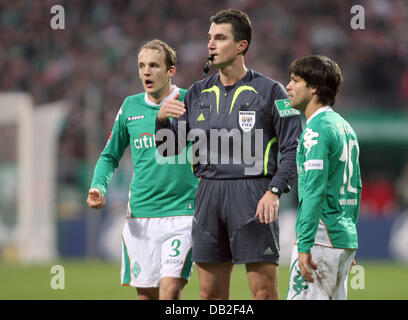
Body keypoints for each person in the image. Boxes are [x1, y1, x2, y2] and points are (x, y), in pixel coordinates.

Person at [155, 9, 302, 300]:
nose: (210, 44)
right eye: (209, 37)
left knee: (263, 293)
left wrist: (274, 191)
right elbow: (168, 148)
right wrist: (160, 121)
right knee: (209, 295)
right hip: (208, 193)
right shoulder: (196, 93)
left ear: (241, 46)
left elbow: (293, 148)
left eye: (219, 38)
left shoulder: (271, 92)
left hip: (253, 193)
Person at [86, 39, 198, 300]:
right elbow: (110, 155)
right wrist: (98, 186)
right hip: (140, 216)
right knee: (147, 296)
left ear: (170, 71)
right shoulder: (130, 107)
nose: (146, 71)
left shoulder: (191, 101)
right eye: (142, 66)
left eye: (154, 65)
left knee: (170, 291)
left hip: (182, 214)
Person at [285, 55, 362, 300]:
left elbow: (313, 191)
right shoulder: (345, 127)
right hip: (342, 238)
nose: (288, 86)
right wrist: (349, 237)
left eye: (295, 80)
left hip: (320, 237)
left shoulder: (316, 130)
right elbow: (357, 188)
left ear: (314, 87)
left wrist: (304, 244)